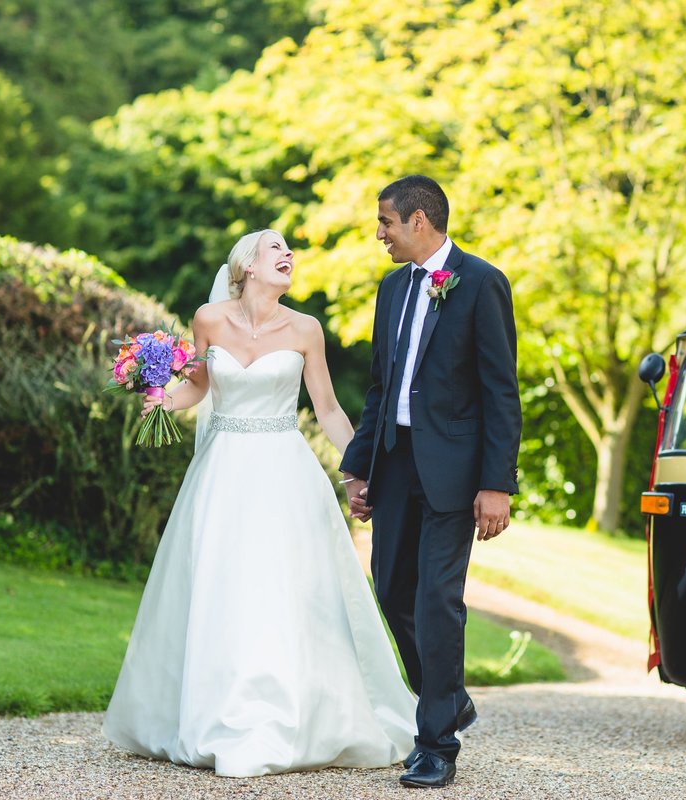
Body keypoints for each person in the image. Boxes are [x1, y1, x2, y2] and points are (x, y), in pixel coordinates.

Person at [102, 229, 417, 778]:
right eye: (276, 248)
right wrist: (156, 395)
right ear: (247, 265)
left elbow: (328, 409)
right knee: (221, 583)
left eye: (289, 250)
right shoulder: (209, 319)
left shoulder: (305, 329)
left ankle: (294, 716)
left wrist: (359, 466)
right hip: (222, 473)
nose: (288, 255)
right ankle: (214, 712)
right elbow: (197, 388)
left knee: (285, 586)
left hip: (283, 472)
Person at [339, 176, 521, 789]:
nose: (380, 234)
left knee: (437, 601)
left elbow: (501, 392)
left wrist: (498, 484)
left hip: (456, 473)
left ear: (419, 220)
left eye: (387, 222)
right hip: (395, 463)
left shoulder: (481, 283)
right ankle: (449, 696)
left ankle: (436, 741)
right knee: (390, 590)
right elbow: (378, 389)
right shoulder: (391, 289)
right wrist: (359, 467)